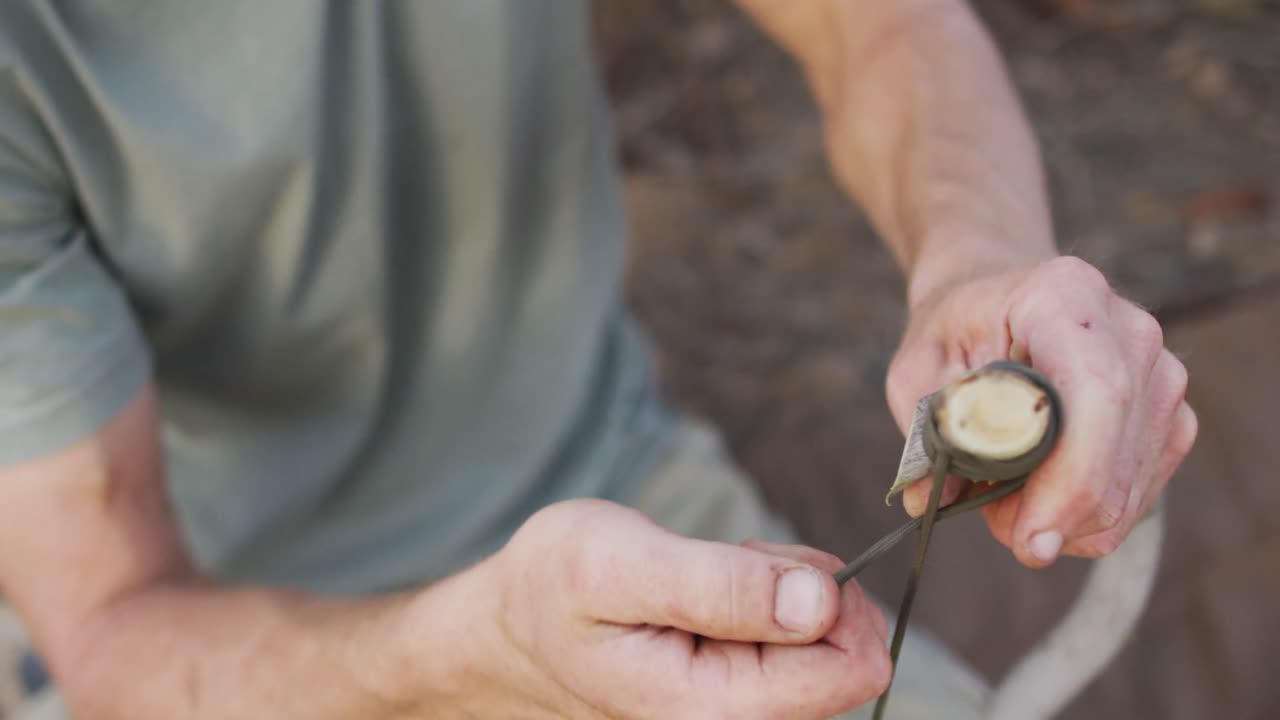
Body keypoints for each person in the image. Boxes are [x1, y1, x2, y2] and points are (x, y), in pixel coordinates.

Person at [0, 1, 1195, 718]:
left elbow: (879, 21)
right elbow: (112, 627)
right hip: (239, 673)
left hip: (623, 495)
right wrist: (467, 662)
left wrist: (976, 264)